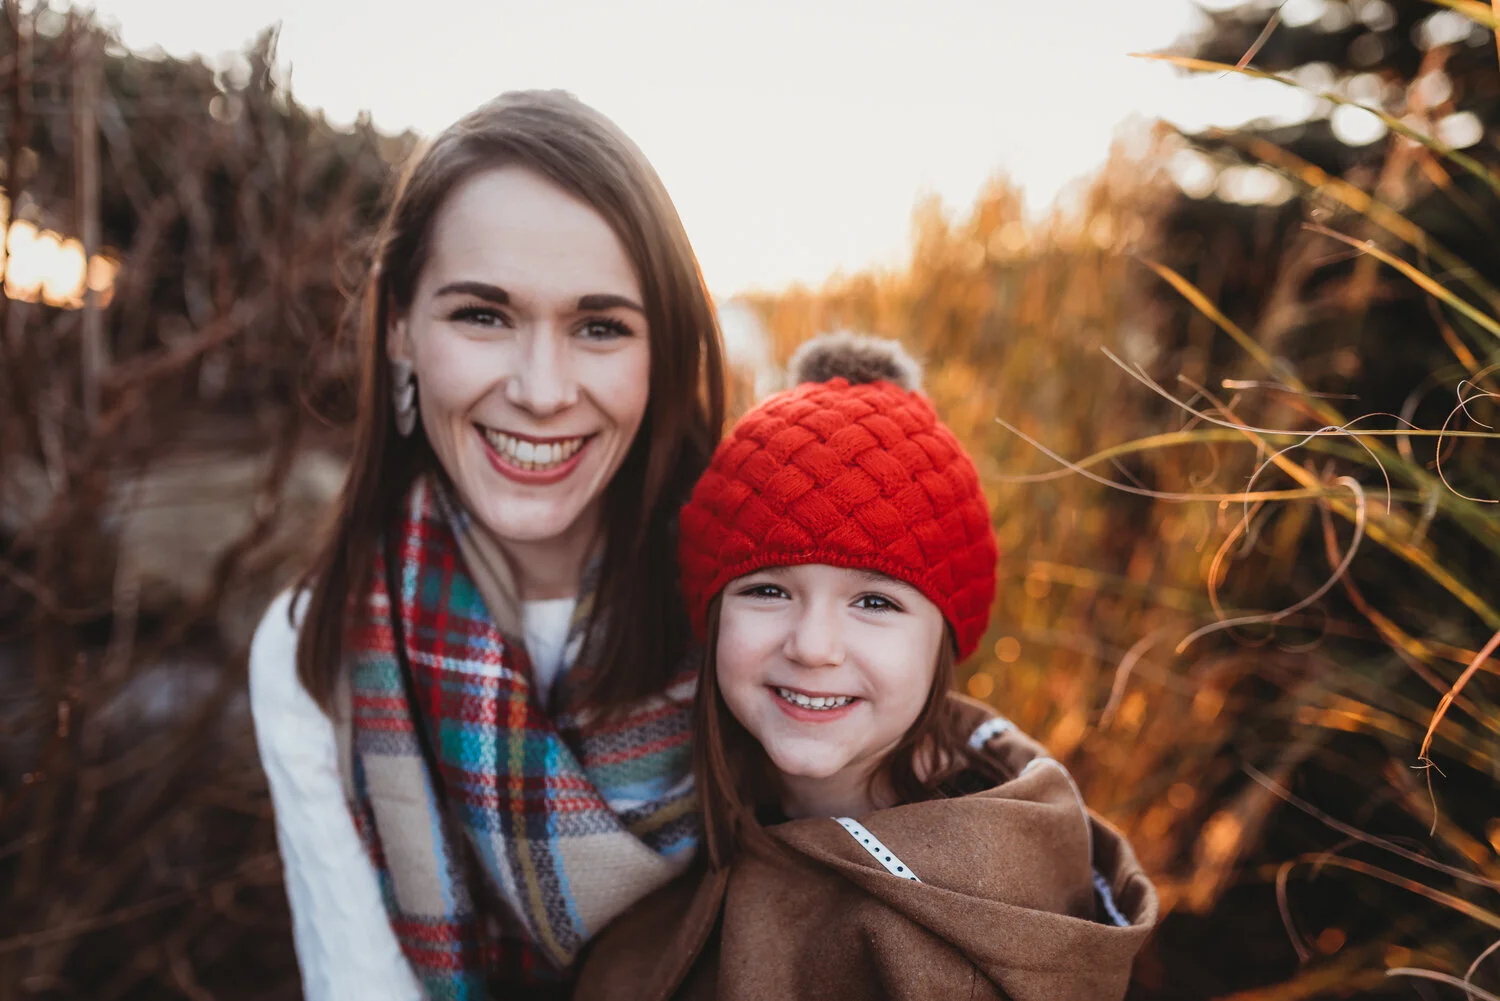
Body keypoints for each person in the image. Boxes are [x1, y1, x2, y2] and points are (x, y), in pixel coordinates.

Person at [248, 90, 726, 1000]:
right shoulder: (312, 650)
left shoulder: (766, 608)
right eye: (483, 315)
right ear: (399, 326)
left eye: (600, 326)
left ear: (660, 350)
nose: (542, 391)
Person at [575, 334, 1158, 1001]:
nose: (813, 646)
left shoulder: (979, 920)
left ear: (944, 638)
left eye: (875, 601)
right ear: (709, 618)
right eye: (768, 589)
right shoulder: (666, 817)